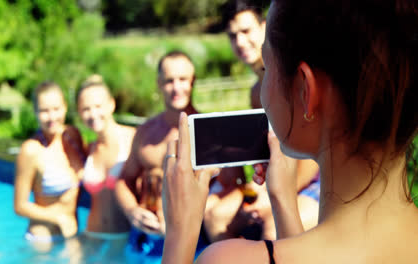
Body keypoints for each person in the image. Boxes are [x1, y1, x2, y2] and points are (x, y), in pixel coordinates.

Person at [162, 0, 418, 263]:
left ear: (306, 91)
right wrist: (282, 198)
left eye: (268, 67)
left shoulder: (225, 259)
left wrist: (179, 234)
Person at [203, 0, 319, 242]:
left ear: (264, 27)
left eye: (246, 31)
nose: (240, 42)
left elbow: (314, 150)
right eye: (233, 36)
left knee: (271, 226)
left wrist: (276, 194)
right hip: (279, 179)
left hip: (317, 180)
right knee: (215, 216)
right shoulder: (257, 92)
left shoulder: (292, 78)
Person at [115, 50, 221, 257]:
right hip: (147, 235)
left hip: (192, 237)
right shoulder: (145, 132)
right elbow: (124, 180)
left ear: (193, 82)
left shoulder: (210, 131)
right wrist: (132, 211)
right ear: (159, 83)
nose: (177, 88)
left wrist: (184, 216)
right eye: (169, 81)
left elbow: (228, 188)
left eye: (183, 79)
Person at [14, 81, 85, 249]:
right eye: (44, 111)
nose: (52, 117)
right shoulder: (31, 150)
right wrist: (57, 217)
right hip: (43, 242)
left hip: (72, 236)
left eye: (56, 109)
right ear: (36, 112)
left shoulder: (72, 136)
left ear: (65, 107)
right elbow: (19, 206)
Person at [75, 75, 136, 259]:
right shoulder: (89, 149)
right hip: (90, 237)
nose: (93, 114)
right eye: (86, 109)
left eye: (98, 106)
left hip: (123, 240)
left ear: (111, 104)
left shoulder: (133, 139)